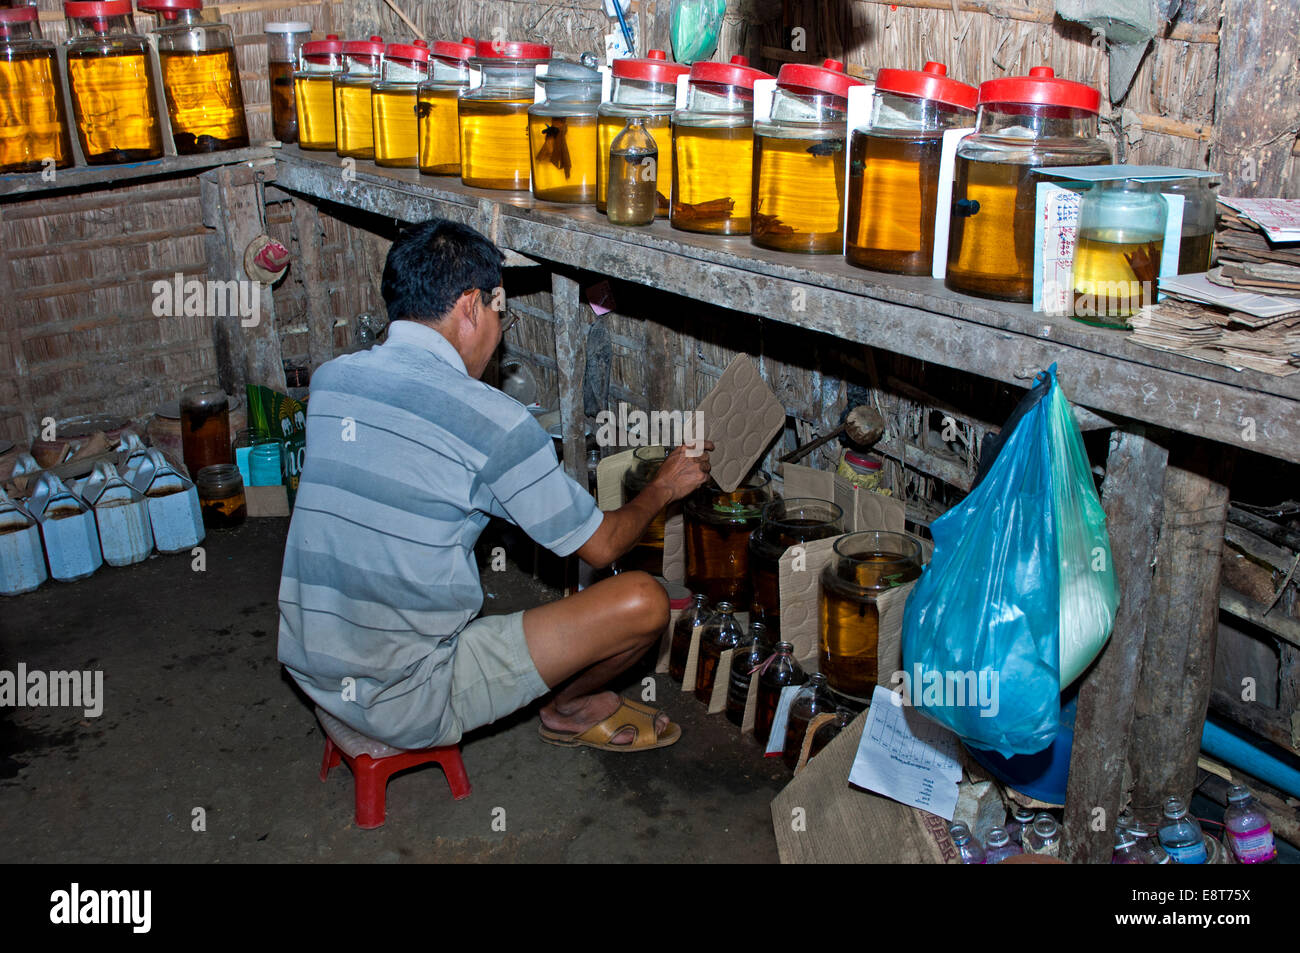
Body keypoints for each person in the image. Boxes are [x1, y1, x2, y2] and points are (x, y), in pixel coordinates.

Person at [277, 218, 712, 753]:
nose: (499, 331)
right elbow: (602, 546)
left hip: (310, 661)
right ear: (471, 307)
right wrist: (665, 486)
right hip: (404, 698)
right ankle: (565, 709)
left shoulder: (331, 380)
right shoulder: (493, 422)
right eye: (499, 311)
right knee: (643, 601)